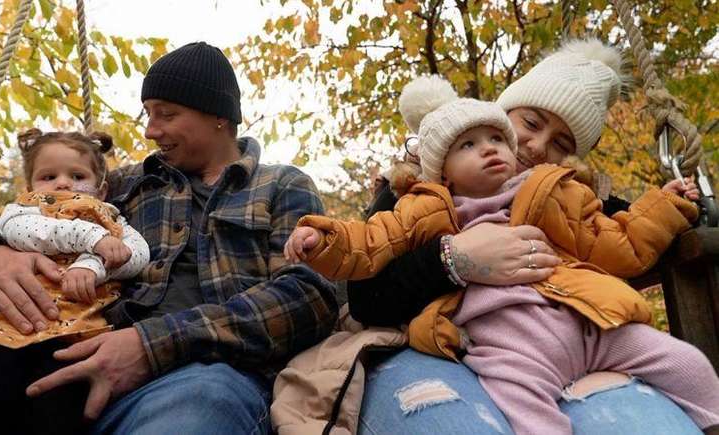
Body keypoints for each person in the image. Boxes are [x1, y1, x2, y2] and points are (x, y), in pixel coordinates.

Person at [284, 73, 719, 434]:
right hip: (508, 346)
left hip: (588, 325)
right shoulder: (419, 203)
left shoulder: (555, 193)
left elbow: (618, 239)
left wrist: (669, 204)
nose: (532, 146)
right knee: (530, 420)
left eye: (560, 144)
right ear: (441, 170)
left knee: (689, 365)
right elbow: (369, 246)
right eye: (529, 123)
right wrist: (325, 240)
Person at [0, 42, 338, 434]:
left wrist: (155, 343)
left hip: (204, 379)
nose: (151, 130)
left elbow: (306, 297)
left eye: (166, 114)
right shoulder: (126, 184)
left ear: (219, 116)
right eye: (148, 113)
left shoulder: (282, 186)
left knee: (195, 415)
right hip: (80, 361)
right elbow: (38, 209)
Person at [0, 128, 150, 434]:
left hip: (77, 335)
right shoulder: (25, 210)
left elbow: (136, 253)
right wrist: (93, 239)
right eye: (48, 176)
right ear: (30, 186)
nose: (63, 183)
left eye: (78, 176)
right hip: (5, 327)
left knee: (56, 405)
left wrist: (93, 266)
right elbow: (22, 231)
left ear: (102, 190)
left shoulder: (112, 219)